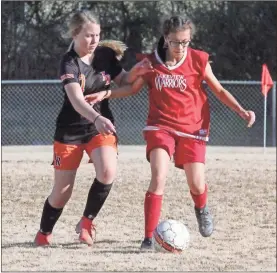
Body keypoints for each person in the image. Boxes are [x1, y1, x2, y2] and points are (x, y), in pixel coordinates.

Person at [86, 15, 256, 251]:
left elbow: (218, 89)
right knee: (158, 176)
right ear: (166, 39)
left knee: (197, 184)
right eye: (176, 42)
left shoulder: (198, 59)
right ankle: (147, 238)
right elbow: (131, 88)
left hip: (193, 127)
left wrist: (241, 110)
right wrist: (104, 94)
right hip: (161, 125)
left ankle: (201, 208)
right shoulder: (151, 63)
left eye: (185, 42)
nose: (181, 47)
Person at [34, 10, 152, 246]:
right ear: (75, 34)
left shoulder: (105, 55)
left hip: (100, 128)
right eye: (89, 36)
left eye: (97, 35)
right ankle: (44, 233)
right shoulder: (69, 62)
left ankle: (86, 224)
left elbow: (124, 80)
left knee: (108, 171)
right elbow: (77, 100)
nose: (94, 41)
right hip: (70, 131)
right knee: (62, 192)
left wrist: (137, 72)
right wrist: (96, 118)